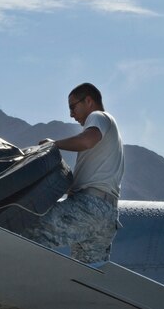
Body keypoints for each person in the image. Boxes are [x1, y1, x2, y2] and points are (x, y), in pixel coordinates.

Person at [24, 82, 124, 264]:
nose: (71, 115)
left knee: (28, 232)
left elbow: (86, 141)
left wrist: (53, 144)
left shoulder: (98, 116)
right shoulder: (111, 137)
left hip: (89, 206)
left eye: (73, 107)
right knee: (86, 275)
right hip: (108, 215)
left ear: (88, 101)